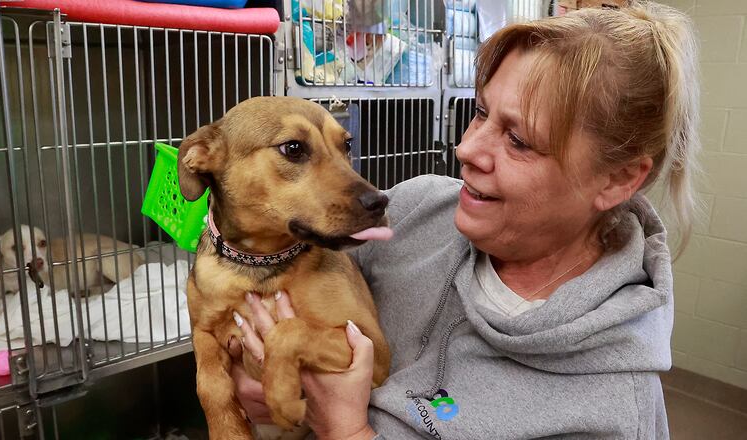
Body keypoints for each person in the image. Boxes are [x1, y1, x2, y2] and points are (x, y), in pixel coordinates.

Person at [230, 1, 699, 438]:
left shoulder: (614, 411)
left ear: (616, 179)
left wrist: (344, 428)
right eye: (480, 113)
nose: (466, 150)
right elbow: (268, 276)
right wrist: (252, 370)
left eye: (518, 140)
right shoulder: (417, 211)